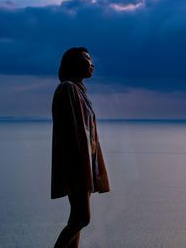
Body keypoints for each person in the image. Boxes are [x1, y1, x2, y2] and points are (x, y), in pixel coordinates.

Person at [51, 47, 110, 248]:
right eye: (87, 59)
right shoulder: (67, 88)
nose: (92, 64)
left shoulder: (77, 89)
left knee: (76, 218)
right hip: (76, 166)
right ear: (74, 64)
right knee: (81, 219)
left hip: (83, 165)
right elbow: (68, 132)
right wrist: (77, 168)